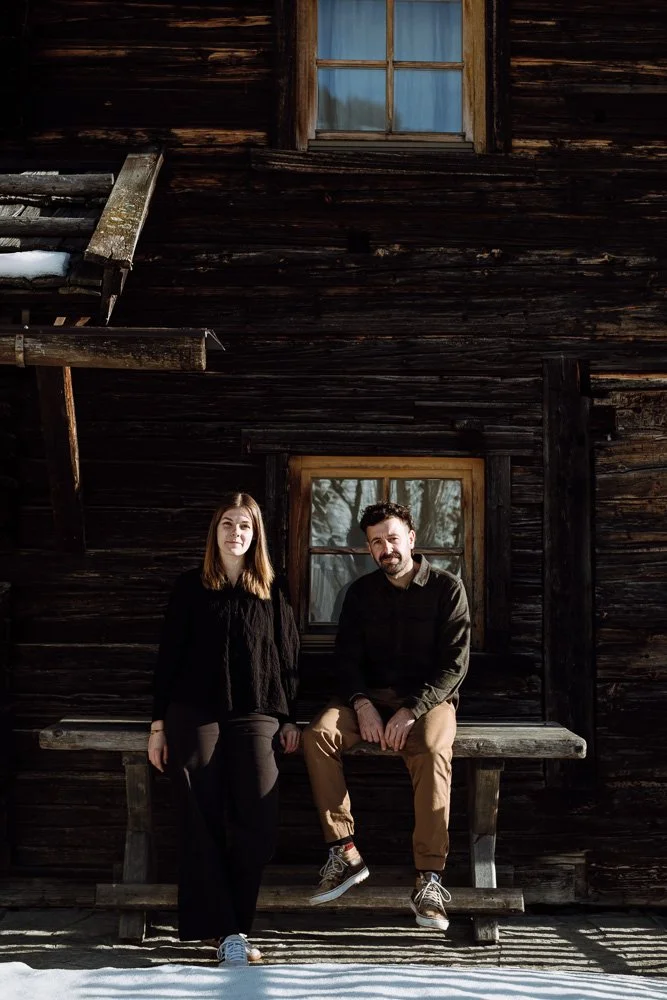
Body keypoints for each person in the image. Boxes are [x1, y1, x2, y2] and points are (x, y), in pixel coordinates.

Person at [147, 492, 300, 966]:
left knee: (258, 817)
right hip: (194, 711)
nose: (236, 533)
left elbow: (287, 657)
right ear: (214, 533)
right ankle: (228, 932)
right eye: (228, 524)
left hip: (257, 712)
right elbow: (169, 657)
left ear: (257, 537)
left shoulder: (272, 590)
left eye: (246, 526)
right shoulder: (190, 586)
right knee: (200, 814)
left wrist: (290, 715)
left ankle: (233, 921)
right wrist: (157, 726)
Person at [303, 500, 470, 932]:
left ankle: (429, 879)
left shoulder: (447, 588)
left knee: (434, 750)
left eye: (393, 538)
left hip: (428, 703)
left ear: (411, 539)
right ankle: (344, 850)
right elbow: (346, 659)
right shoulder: (360, 594)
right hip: (367, 701)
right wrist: (360, 703)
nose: (386, 549)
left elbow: (455, 664)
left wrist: (412, 711)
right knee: (318, 734)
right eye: (377, 542)